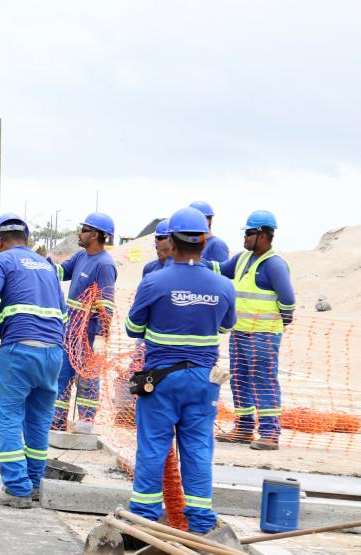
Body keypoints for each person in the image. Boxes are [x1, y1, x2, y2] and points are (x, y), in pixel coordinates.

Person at [124, 206, 236, 534]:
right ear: (204, 241)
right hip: (204, 381)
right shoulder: (222, 286)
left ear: (171, 242)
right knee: (198, 448)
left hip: (160, 381)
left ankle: (142, 519)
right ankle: (201, 523)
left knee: (153, 447)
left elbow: (133, 327)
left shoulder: (154, 281)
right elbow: (227, 324)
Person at [0, 213, 67, 509]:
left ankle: (16, 488)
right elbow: (63, 311)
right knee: (38, 421)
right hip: (53, 353)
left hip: (19, 352)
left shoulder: (2, 261)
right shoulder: (48, 266)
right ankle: (35, 484)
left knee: (9, 418)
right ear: (26, 239)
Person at [215, 210, 295, 450]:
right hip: (240, 332)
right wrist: (192, 260)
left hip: (263, 335)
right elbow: (218, 270)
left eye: (249, 233)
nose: (245, 237)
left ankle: (270, 433)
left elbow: (288, 301)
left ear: (262, 235)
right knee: (239, 380)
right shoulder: (242, 259)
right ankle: (244, 428)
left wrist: (279, 322)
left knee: (263, 381)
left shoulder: (274, 265)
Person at [51, 212, 117, 432]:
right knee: (62, 376)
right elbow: (61, 272)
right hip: (70, 332)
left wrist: (101, 335)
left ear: (96, 235)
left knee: (88, 380)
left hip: (89, 334)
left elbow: (106, 305)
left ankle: (86, 422)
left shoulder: (104, 265)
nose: (80, 233)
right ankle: (57, 420)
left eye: (85, 230)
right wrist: (44, 264)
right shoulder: (81, 256)